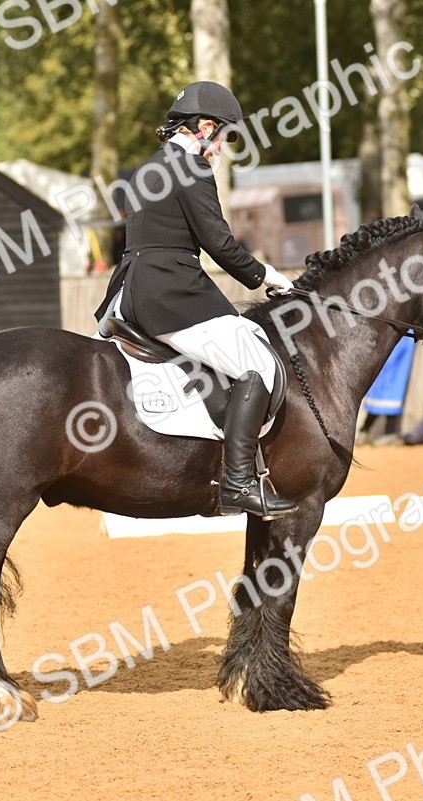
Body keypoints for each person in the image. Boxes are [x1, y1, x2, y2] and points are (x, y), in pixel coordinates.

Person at [94, 81, 297, 519]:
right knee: (257, 365)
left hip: (130, 291)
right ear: (205, 127)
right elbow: (218, 243)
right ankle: (239, 484)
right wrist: (268, 277)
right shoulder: (191, 167)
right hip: (170, 293)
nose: (222, 147)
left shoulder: (147, 168)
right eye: (224, 136)